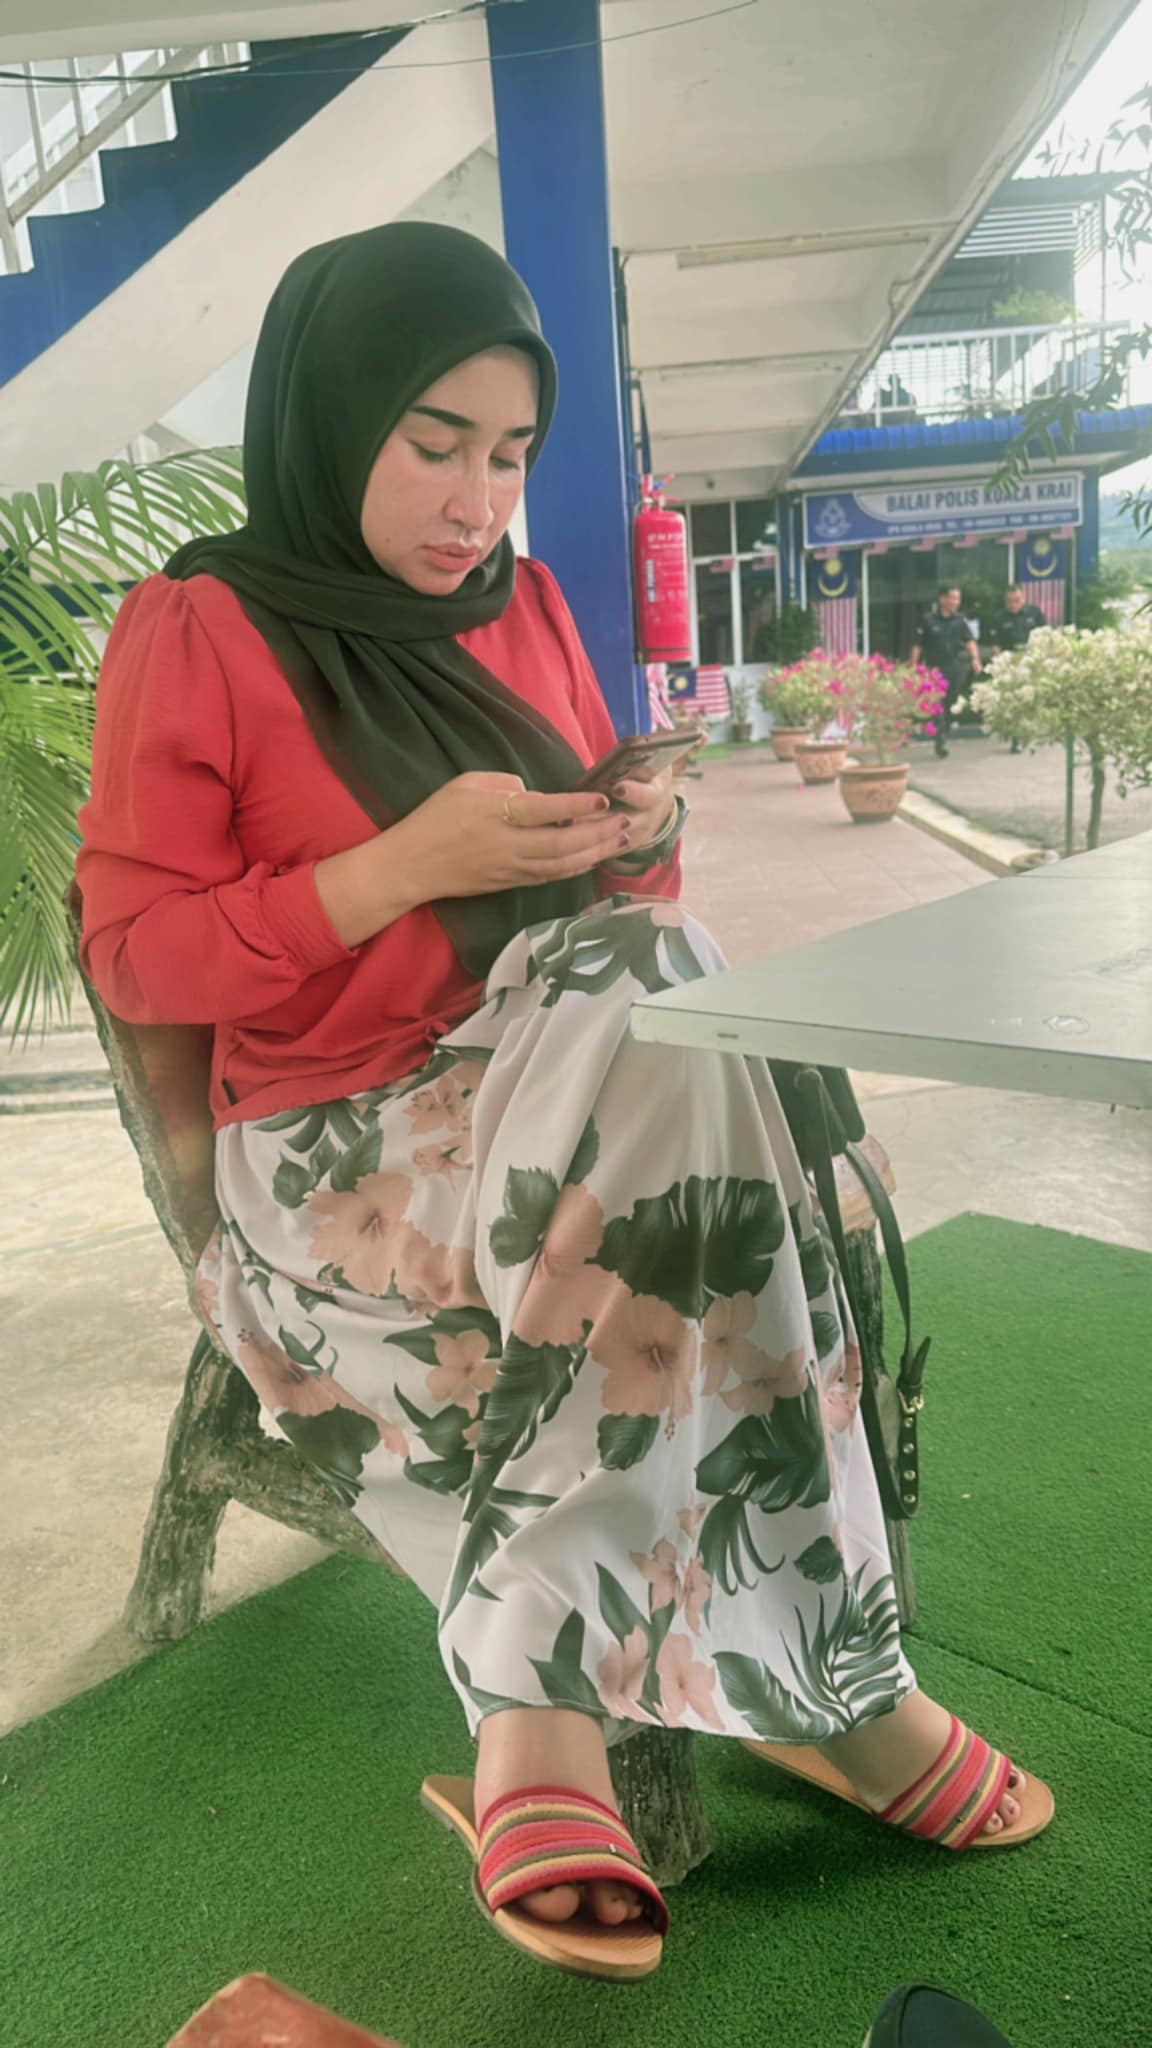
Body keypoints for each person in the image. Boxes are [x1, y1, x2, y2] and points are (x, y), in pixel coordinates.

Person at [77, 223, 1051, 1984]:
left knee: (664, 981)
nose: (476, 501)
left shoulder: (520, 608)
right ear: (330, 416)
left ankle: (539, 1709)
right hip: (344, 1151)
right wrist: (395, 868)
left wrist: (634, 832)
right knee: (713, 1154)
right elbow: (137, 957)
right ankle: (841, 1688)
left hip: (568, 1087)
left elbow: (619, 915)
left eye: (511, 455)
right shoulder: (200, 627)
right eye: (433, 443)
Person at [910, 584, 981, 757]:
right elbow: (917, 645)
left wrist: (975, 659)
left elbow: (970, 641)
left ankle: (943, 732)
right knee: (936, 703)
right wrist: (913, 665)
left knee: (950, 702)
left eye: (958, 598)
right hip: (934, 667)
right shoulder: (928, 620)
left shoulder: (960, 621)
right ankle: (940, 738)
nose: (956, 602)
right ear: (943, 599)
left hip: (953, 666)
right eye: (953, 598)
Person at [989, 584, 1047, 753]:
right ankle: (1016, 738)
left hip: (1030, 662)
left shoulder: (1034, 613)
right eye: (1009, 601)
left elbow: (1044, 636)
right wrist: (999, 664)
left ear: (1024, 599)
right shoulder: (999, 617)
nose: (1013, 604)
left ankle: (1030, 734)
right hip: (1010, 664)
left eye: (1016, 600)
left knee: (1030, 700)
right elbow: (995, 645)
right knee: (1013, 701)